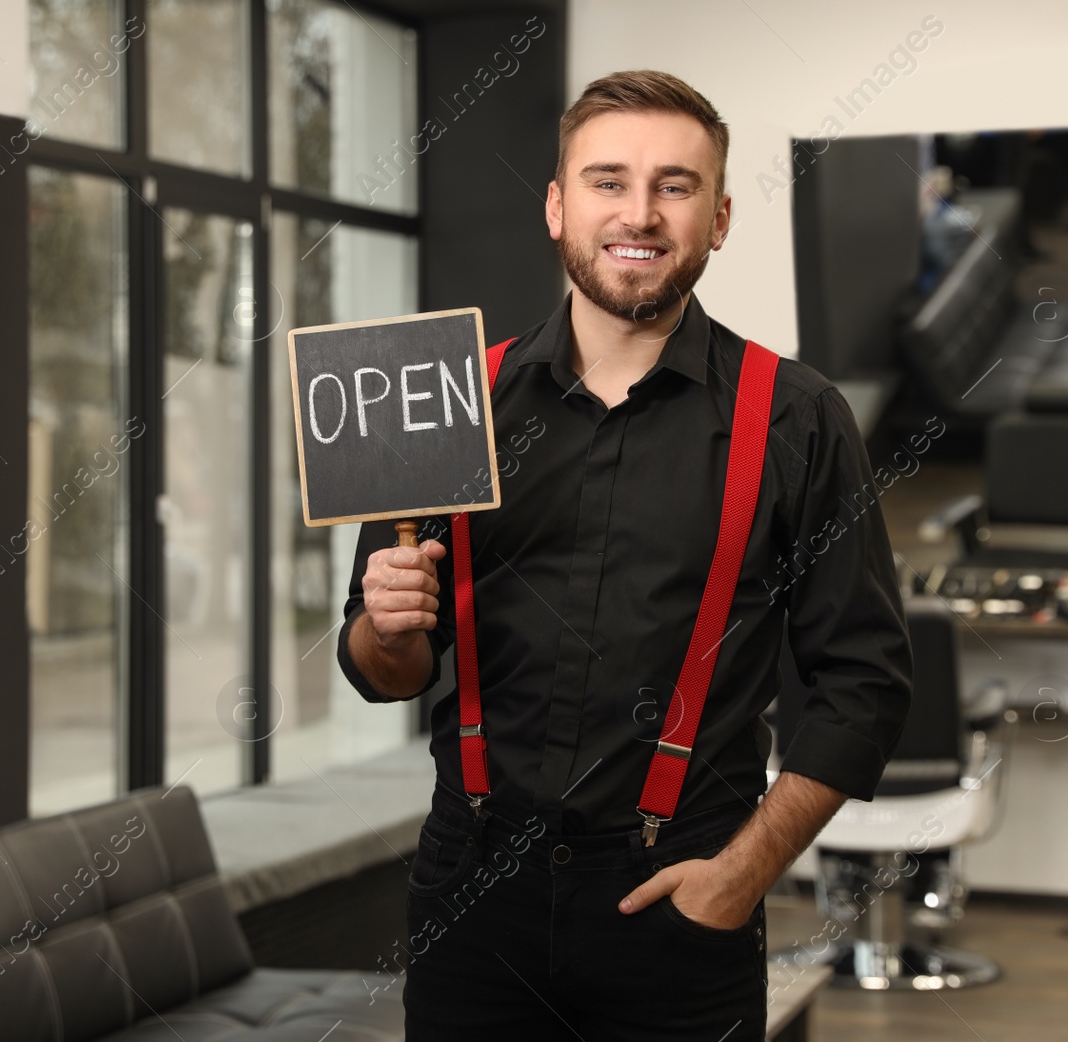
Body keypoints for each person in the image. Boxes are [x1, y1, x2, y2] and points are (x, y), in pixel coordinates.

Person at [337, 70, 913, 1041]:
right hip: (471, 900)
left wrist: (742, 873)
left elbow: (865, 682)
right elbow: (388, 672)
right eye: (607, 180)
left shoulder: (798, 418)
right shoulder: (445, 397)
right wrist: (380, 625)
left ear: (719, 216)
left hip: (678, 902)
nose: (637, 212)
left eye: (674, 186)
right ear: (558, 206)